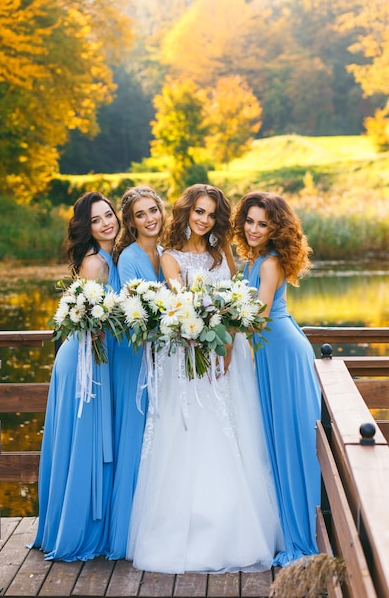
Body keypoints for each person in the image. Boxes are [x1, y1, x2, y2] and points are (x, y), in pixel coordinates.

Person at [126, 183, 284, 574]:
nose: (204, 219)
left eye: (211, 214)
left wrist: (227, 341)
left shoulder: (222, 253)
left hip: (228, 353)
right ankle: (186, 531)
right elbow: (180, 305)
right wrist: (207, 330)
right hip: (188, 356)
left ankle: (236, 528)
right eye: (199, 211)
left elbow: (234, 299)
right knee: (188, 438)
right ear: (187, 212)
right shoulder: (170, 258)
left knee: (231, 434)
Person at [233, 190, 321, 567]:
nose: (254, 229)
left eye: (262, 223)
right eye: (249, 221)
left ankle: (302, 536)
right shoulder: (254, 259)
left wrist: (212, 322)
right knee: (277, 440)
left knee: (291, 441)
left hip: (282, 352)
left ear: (276, 228)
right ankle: (289, 527)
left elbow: (258, 319)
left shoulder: (269, 264)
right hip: (270, 355)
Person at [31, 191, 121, 561]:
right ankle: (77, 530)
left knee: (84, 439)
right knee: (82, 440)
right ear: (87, 227)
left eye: (109, 214)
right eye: (97, 220)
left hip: (94, 357)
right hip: (85, 360)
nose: (106, 223)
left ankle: (79, 522)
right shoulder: (94, 262)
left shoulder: (111, 258)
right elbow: (93, 322)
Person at [109, 185, 166, 560]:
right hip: (137, 356)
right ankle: (127, 530)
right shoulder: (128, 258)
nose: (150, 219)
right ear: (131, 223)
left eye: (153, 211)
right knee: (137, 432)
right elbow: (133, 314)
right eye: (141, 215)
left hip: (167, 355)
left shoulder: (167, 252)